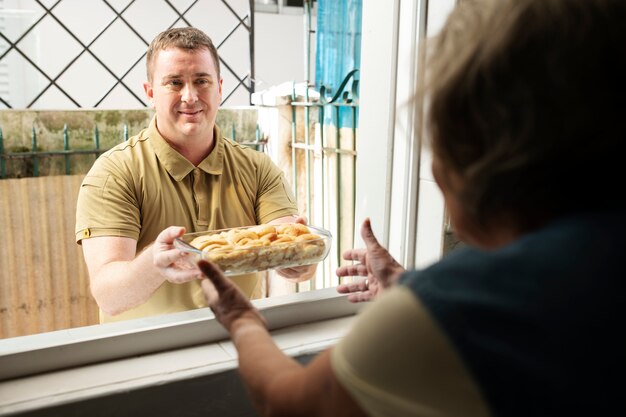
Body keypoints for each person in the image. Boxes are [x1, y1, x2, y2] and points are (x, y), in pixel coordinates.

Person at [197, 0, 626, 415]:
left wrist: (239, 316)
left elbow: (287, 403)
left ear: (473, 155)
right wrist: (406, 285)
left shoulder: (461, 312)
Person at [75, 27, 315, 323]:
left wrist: (299, 261)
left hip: (240, 342)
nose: (190, 97)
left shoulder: (258, 169)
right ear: (150, 93)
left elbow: (287, 243)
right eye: (174, 83)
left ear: (219, 88)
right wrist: (155, 262)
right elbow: (109, 297)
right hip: (145, 354)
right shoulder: (114, 173)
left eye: (201, 81)